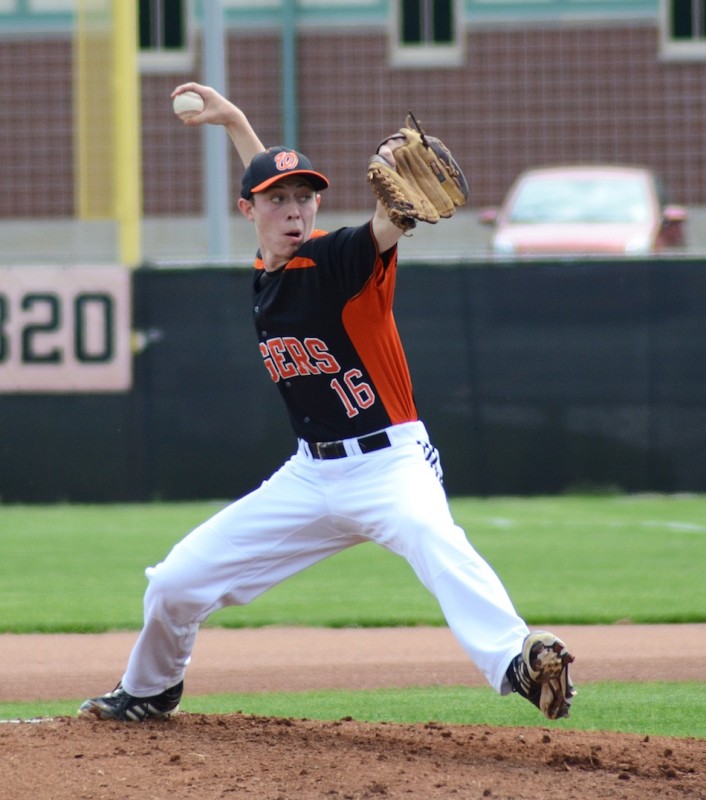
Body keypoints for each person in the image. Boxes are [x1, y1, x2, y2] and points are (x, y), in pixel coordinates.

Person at [78, 83, 575, 723]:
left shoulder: (338, 258)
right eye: (278, 200)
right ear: (248, 210)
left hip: (390, 464)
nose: (294, 210)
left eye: (306, 197)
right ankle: (149, 689)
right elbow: (268, 190)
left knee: (432, 537)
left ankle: (518, 660)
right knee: (174, 583)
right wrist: (235, 120)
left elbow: (384, 226)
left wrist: (398, 215)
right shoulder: (268, 273)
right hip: (312, 475)